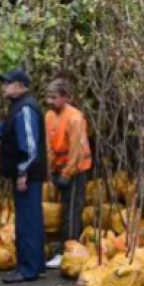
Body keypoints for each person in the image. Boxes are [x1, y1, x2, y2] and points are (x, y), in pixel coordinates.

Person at [0, 69, 47, 283]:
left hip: (27, 175)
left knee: (28, 221)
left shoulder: (25, 109)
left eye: (8, 83)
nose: (4, 87)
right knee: (30, 219)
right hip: (27, 174)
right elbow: (6, 130)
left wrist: (23, 171)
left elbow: (30, 146)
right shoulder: (19, 107)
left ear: (20, 86)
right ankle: (36, 265)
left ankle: (28, 269)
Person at [43, 79, 92, 269]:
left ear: (65, 97)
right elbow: (48, 146)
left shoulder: (75, 118)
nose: (50, 101)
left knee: (72, 211)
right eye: (48, 97)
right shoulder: (49, 116)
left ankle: (69, 251)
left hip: (75, 170)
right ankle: (61, 248)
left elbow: (76, 149)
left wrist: (67, 173)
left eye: (54, 97)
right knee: (62, 211)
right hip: (58, 169)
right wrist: (50, 171)